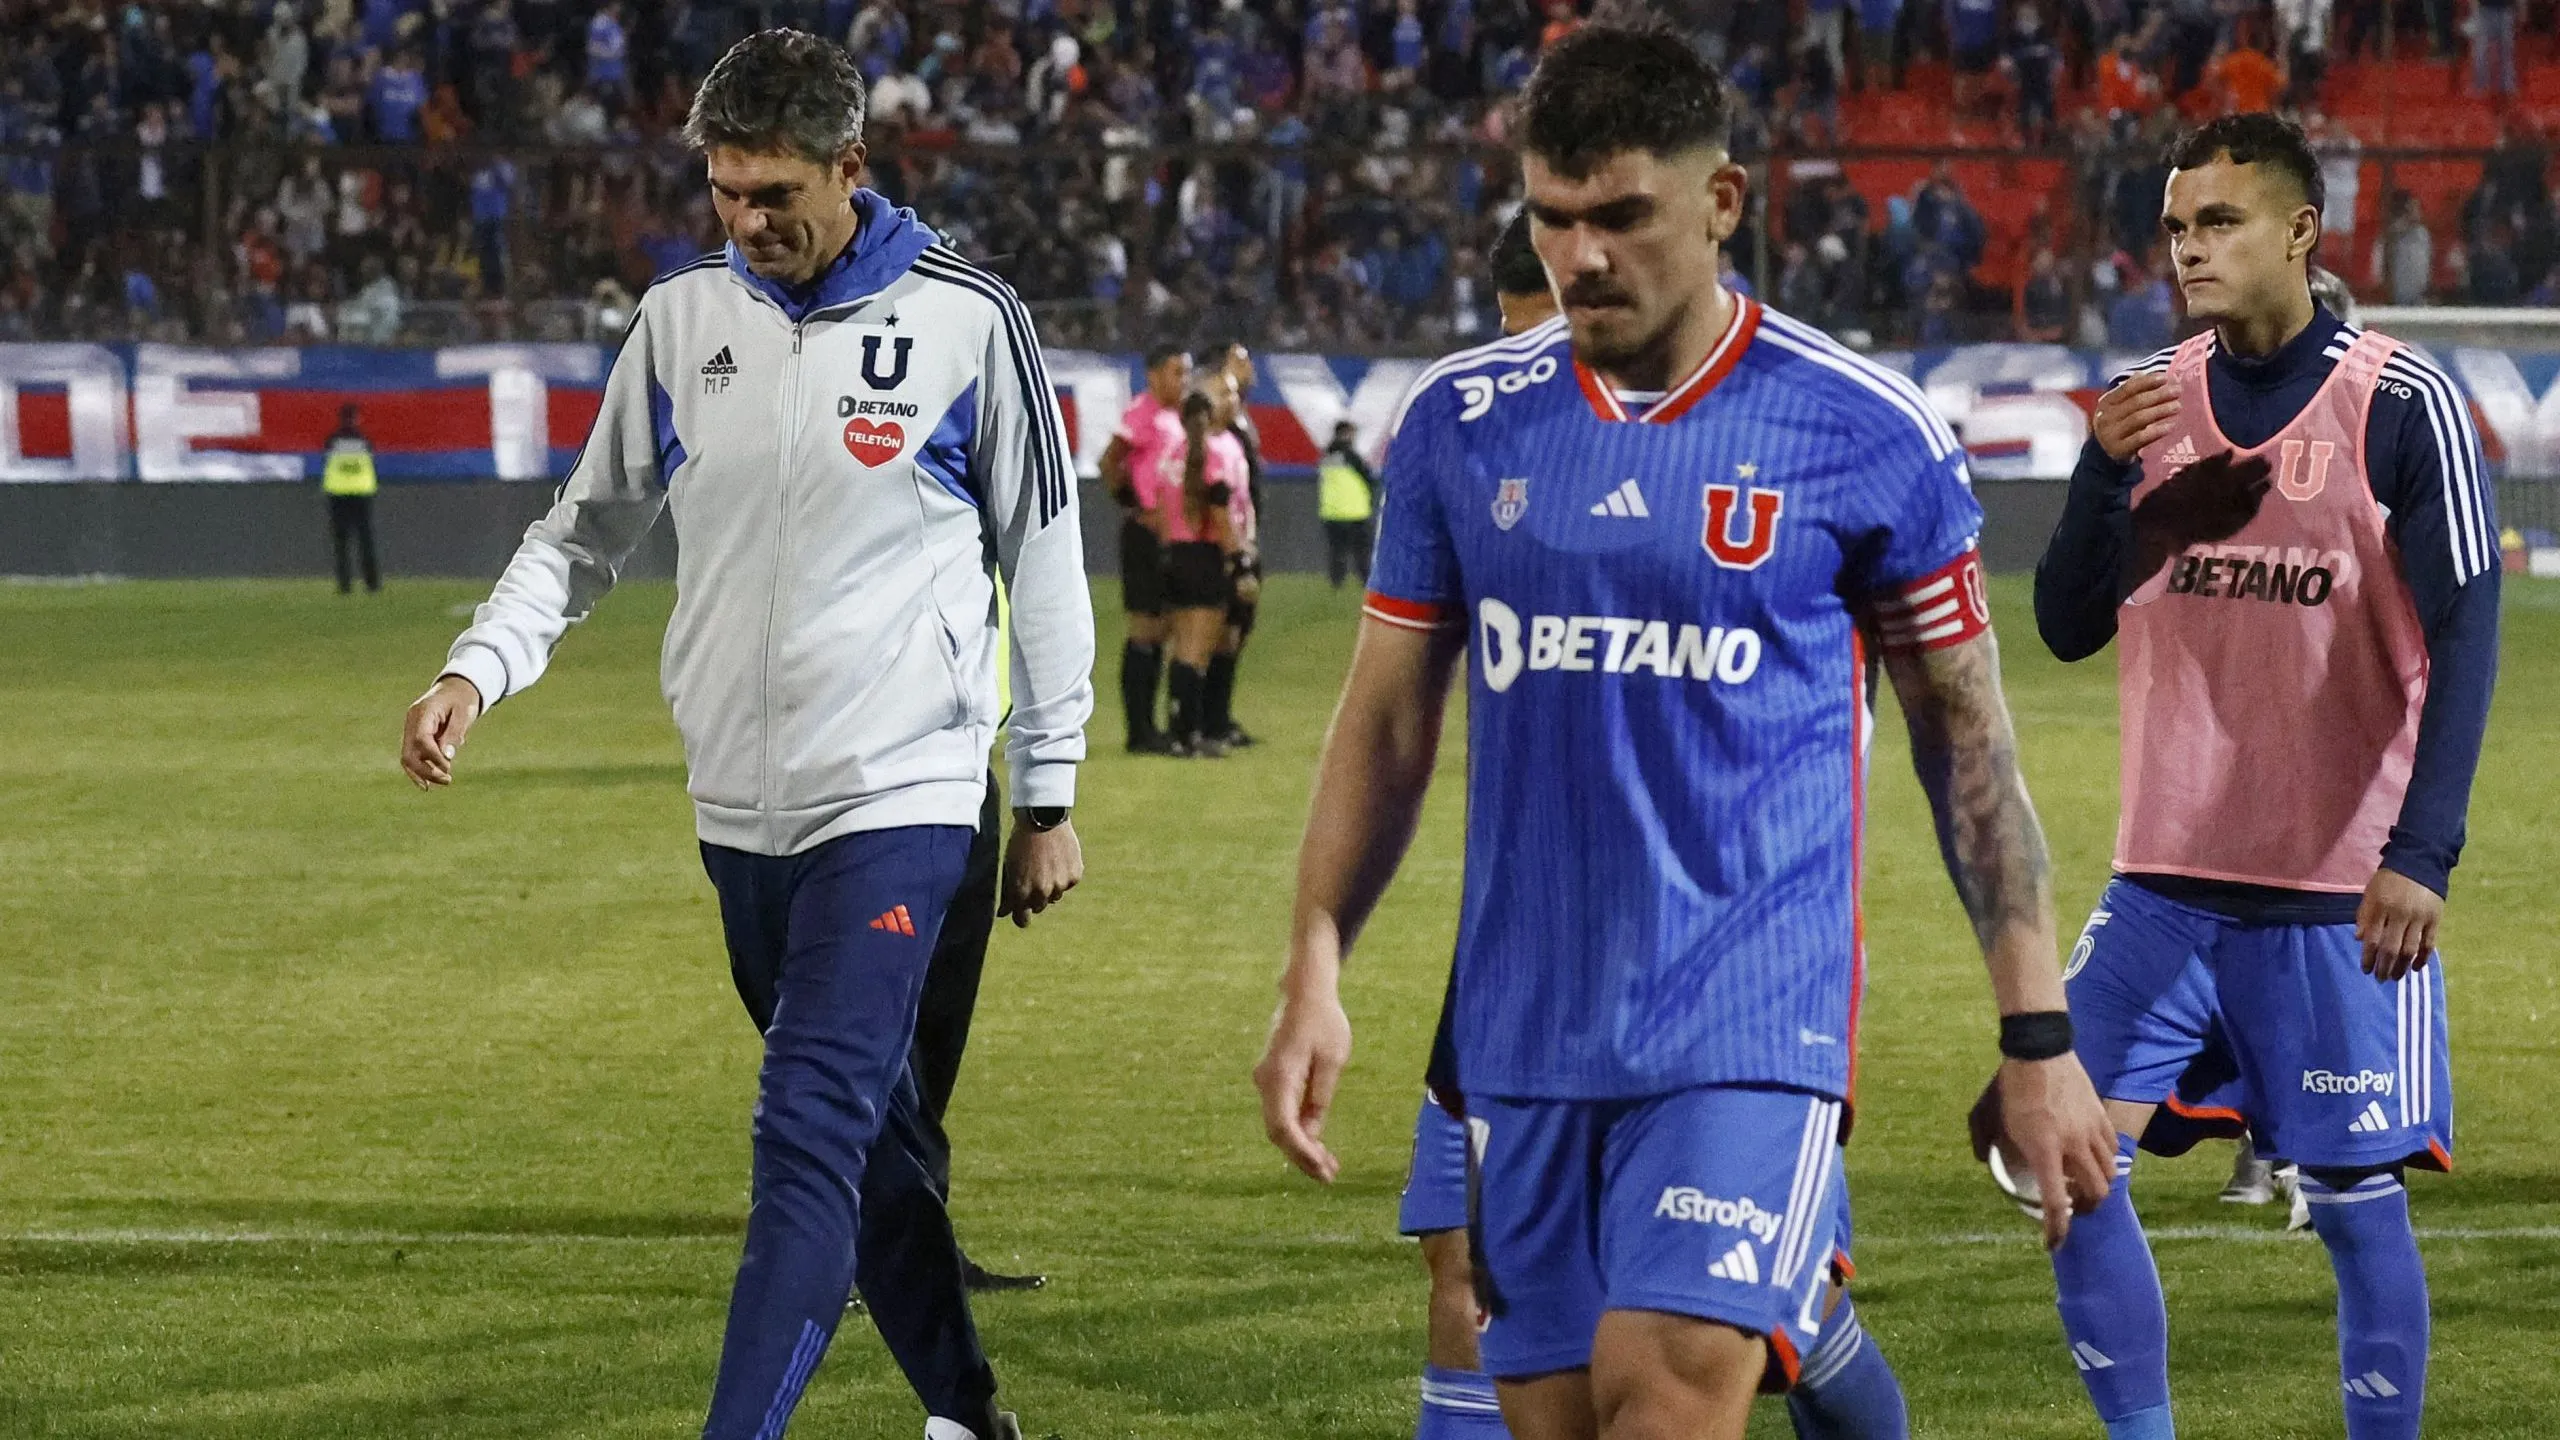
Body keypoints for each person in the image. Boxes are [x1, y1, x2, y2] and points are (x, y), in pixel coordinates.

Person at [1254, 22, 2115, 1440]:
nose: (1579, 257)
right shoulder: (1463, 426)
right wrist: (1316, 963)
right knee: (1557, 1419)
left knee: (1661, 1394)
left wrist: (2037, 1033)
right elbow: (1389, 723)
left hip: (1747, 1024)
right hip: (1524, 1039)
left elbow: (1970, 751)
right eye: (1553, 219)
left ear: (1720, 204)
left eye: (1621, 218)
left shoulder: (1859, 429)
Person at [397, 30, 1095, 1440]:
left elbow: (1048, 558)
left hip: (900, 797)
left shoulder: (967, 321)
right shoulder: (681, 320)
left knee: (803, 1138)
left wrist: (1046, 791)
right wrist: (479, 667)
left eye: (775, 192)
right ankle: (971, 1416)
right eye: (724, 191)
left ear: (852, 166)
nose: (747, 221)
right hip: (738, 813)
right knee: (876, 1152)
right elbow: (582, 533)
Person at [1995, 113, 2497, 1440]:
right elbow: (2062, 622)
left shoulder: (2399, 402)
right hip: (2163, 885)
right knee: (2063, 1159)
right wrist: (2104, 472)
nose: (2188, 249)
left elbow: (2470, 627)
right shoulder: (2155, 404)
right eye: (2174, 226)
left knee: (2349, 1204)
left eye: (2216, 222)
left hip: (2333, 895)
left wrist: (2421, 853)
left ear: (2299, 232)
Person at [1387, 206, 1914, 1440]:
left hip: (1732, 985)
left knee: (1749, 1338)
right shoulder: (1479, 447)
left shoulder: (1785, 468)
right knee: (1461, 1273)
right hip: (1523, 977)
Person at [1098, 344, 1190, 753]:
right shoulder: (1143, 411)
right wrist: (1136, 508)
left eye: (1185, 373)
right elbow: (1109, 461)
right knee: (1145, 629)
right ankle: (1138, 730)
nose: (1182, 381)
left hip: (1170, 534)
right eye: (1175, 372)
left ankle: (1151, 726)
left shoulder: (1176, 416)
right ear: (1153, 375)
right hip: (1145, 535)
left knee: (1164, 627)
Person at [1161, 380, 1250, 756]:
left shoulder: (1173, 454)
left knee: (1181, 649)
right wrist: (1239, 561)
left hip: (1173, 556)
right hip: (1204, 557)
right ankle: (1189, 737)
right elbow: (1220, 514)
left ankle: (1179, 731)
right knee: (1198, 654)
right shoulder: (1211, 456)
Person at [1207, 340, 1265, 749]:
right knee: (1218, 633)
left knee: (1236, 632)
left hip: (1246, 537)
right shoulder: (1215, 431)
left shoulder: (1239, 423)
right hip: (1224, 543)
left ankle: (1219, 718)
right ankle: (1207, 722)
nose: (1249, 369)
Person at [321, 403, 382, 594]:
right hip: (360, 493)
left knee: (341, 543)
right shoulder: (363, 441)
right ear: (356, 418)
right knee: (365, 541)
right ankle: (371, 584)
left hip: (338, 494)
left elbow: (328, 463)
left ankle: (344, 585)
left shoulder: (332, 441)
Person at [1317, 419, 1380, 590]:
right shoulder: (1350, 456)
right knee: (1362, 553)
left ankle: (1336, 586)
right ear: (1345, 434)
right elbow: (1367, 477)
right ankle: (1367, 584)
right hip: (1355, 512)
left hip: (1332, 513)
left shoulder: (1327, 456)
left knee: (1337, 553)